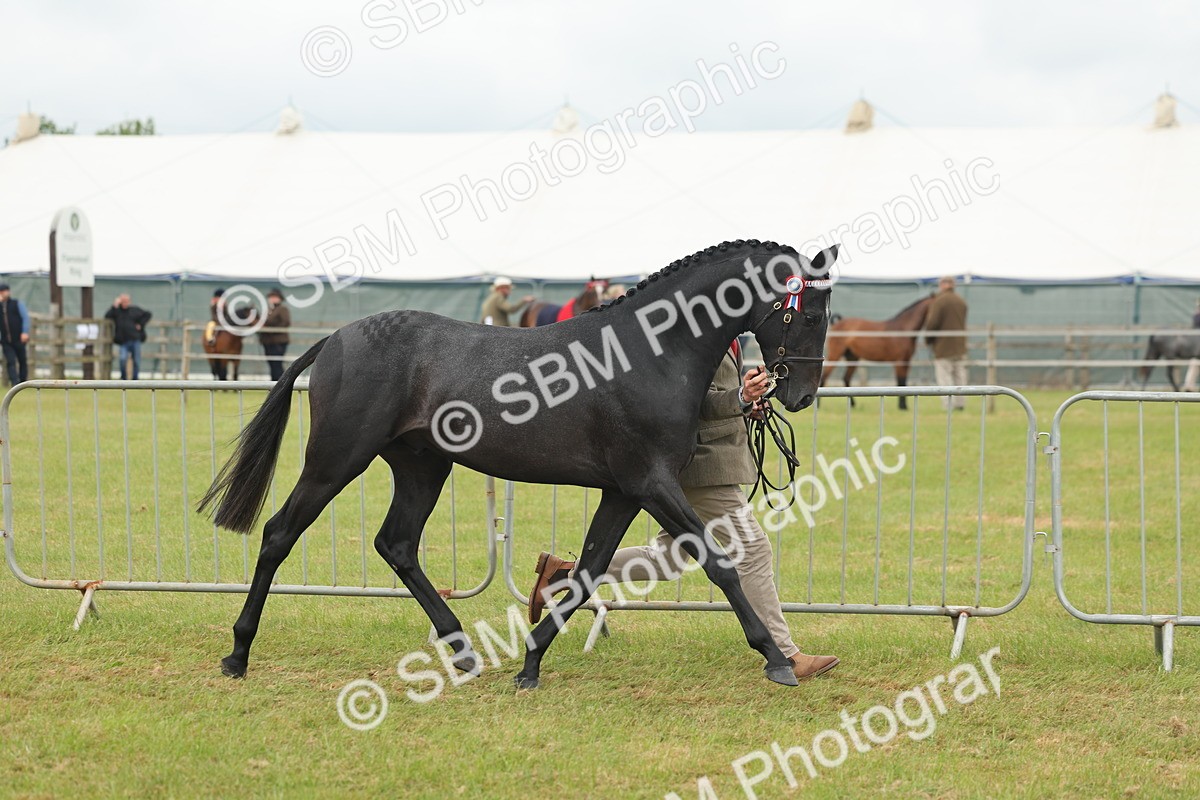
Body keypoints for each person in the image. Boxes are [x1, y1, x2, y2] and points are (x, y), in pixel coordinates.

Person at [527, 342, 840, 682]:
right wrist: (740, 397)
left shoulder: (729, 336)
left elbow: (716, 391)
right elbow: (692, 399)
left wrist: (746, 403)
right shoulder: (694, 334)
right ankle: (786, 654)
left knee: (667, 560)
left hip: (706, 459)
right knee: (752, 551)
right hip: (703, 464)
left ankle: (563, 575)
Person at [924, 276, 969, 409]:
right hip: (960, 346)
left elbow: (932, 323)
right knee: (960, 376)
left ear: (942, 285)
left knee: (944, 377)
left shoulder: (939, 301)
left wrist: (928, 339)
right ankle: (960, 404)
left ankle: (948, 405)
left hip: (943, 346)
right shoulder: (961, 301)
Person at [105, 294, 152, 380]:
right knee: (122, 359)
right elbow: (107, 316)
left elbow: (148, 314)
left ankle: (135, 379)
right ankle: (124, 378)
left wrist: (140, 324)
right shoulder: (117, 311)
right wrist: (114, 305)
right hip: (123, 342)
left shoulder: (135, 310)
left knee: (136, 360)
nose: (124, 303)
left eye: (126, 301)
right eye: (123, 301)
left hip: (135, 340)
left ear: (129, 302)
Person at [0, 282, 31, 386]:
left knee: (22, 360)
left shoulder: (16, 303)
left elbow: (25, 318)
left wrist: (25, 332)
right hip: (6, 340)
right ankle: (15, 383)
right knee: (11, 361)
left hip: (18, 338)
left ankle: (23, 382)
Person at [258, 288, 290, 381]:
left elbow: (286, 323)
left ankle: (280, 382)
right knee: (272, 364)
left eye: (275, 297)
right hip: (267, 341)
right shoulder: (268, 310)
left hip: (278, 341)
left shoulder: (282, 309)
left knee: (277, 364)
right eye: (271, 297)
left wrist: (270, 330)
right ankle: (274, 382)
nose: (272, 299)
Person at [1184, 298, 1200, 392]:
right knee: (1194, 363)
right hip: (1197, 347)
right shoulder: (1197, 316)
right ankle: (1189, 387)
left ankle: (1189, 386)